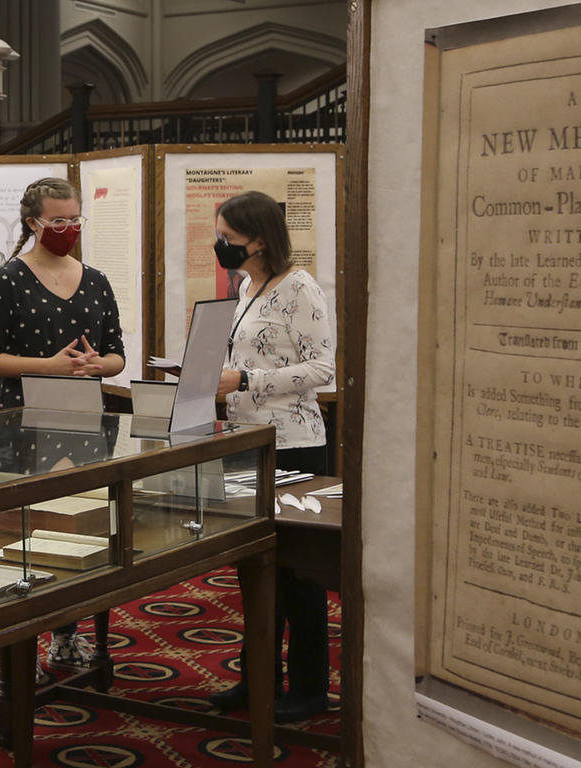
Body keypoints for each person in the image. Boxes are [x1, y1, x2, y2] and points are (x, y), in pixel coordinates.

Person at [0, 176, 125, 676]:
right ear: (34, 223)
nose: (69, 228)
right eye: (58, 221)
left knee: (80, 535)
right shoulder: (8, 280)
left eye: (75, 219)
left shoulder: (96, 279)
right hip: (21, 426)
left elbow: (117, 352)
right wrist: (48, 365)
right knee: (27, 536)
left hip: (85, 423)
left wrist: (103, 365)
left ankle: (67, 636)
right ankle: (20, 646)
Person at [208, 190, 335, 723]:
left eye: (228, 240)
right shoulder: (244, 285)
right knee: (255, 570)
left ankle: (307, 689)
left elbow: (323, 368)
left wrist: (247, 381)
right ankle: (257, 674)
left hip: (294, 442)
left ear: (259, 239)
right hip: (244, 440)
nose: (221, 247)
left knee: (297, 575)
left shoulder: (299, 286)